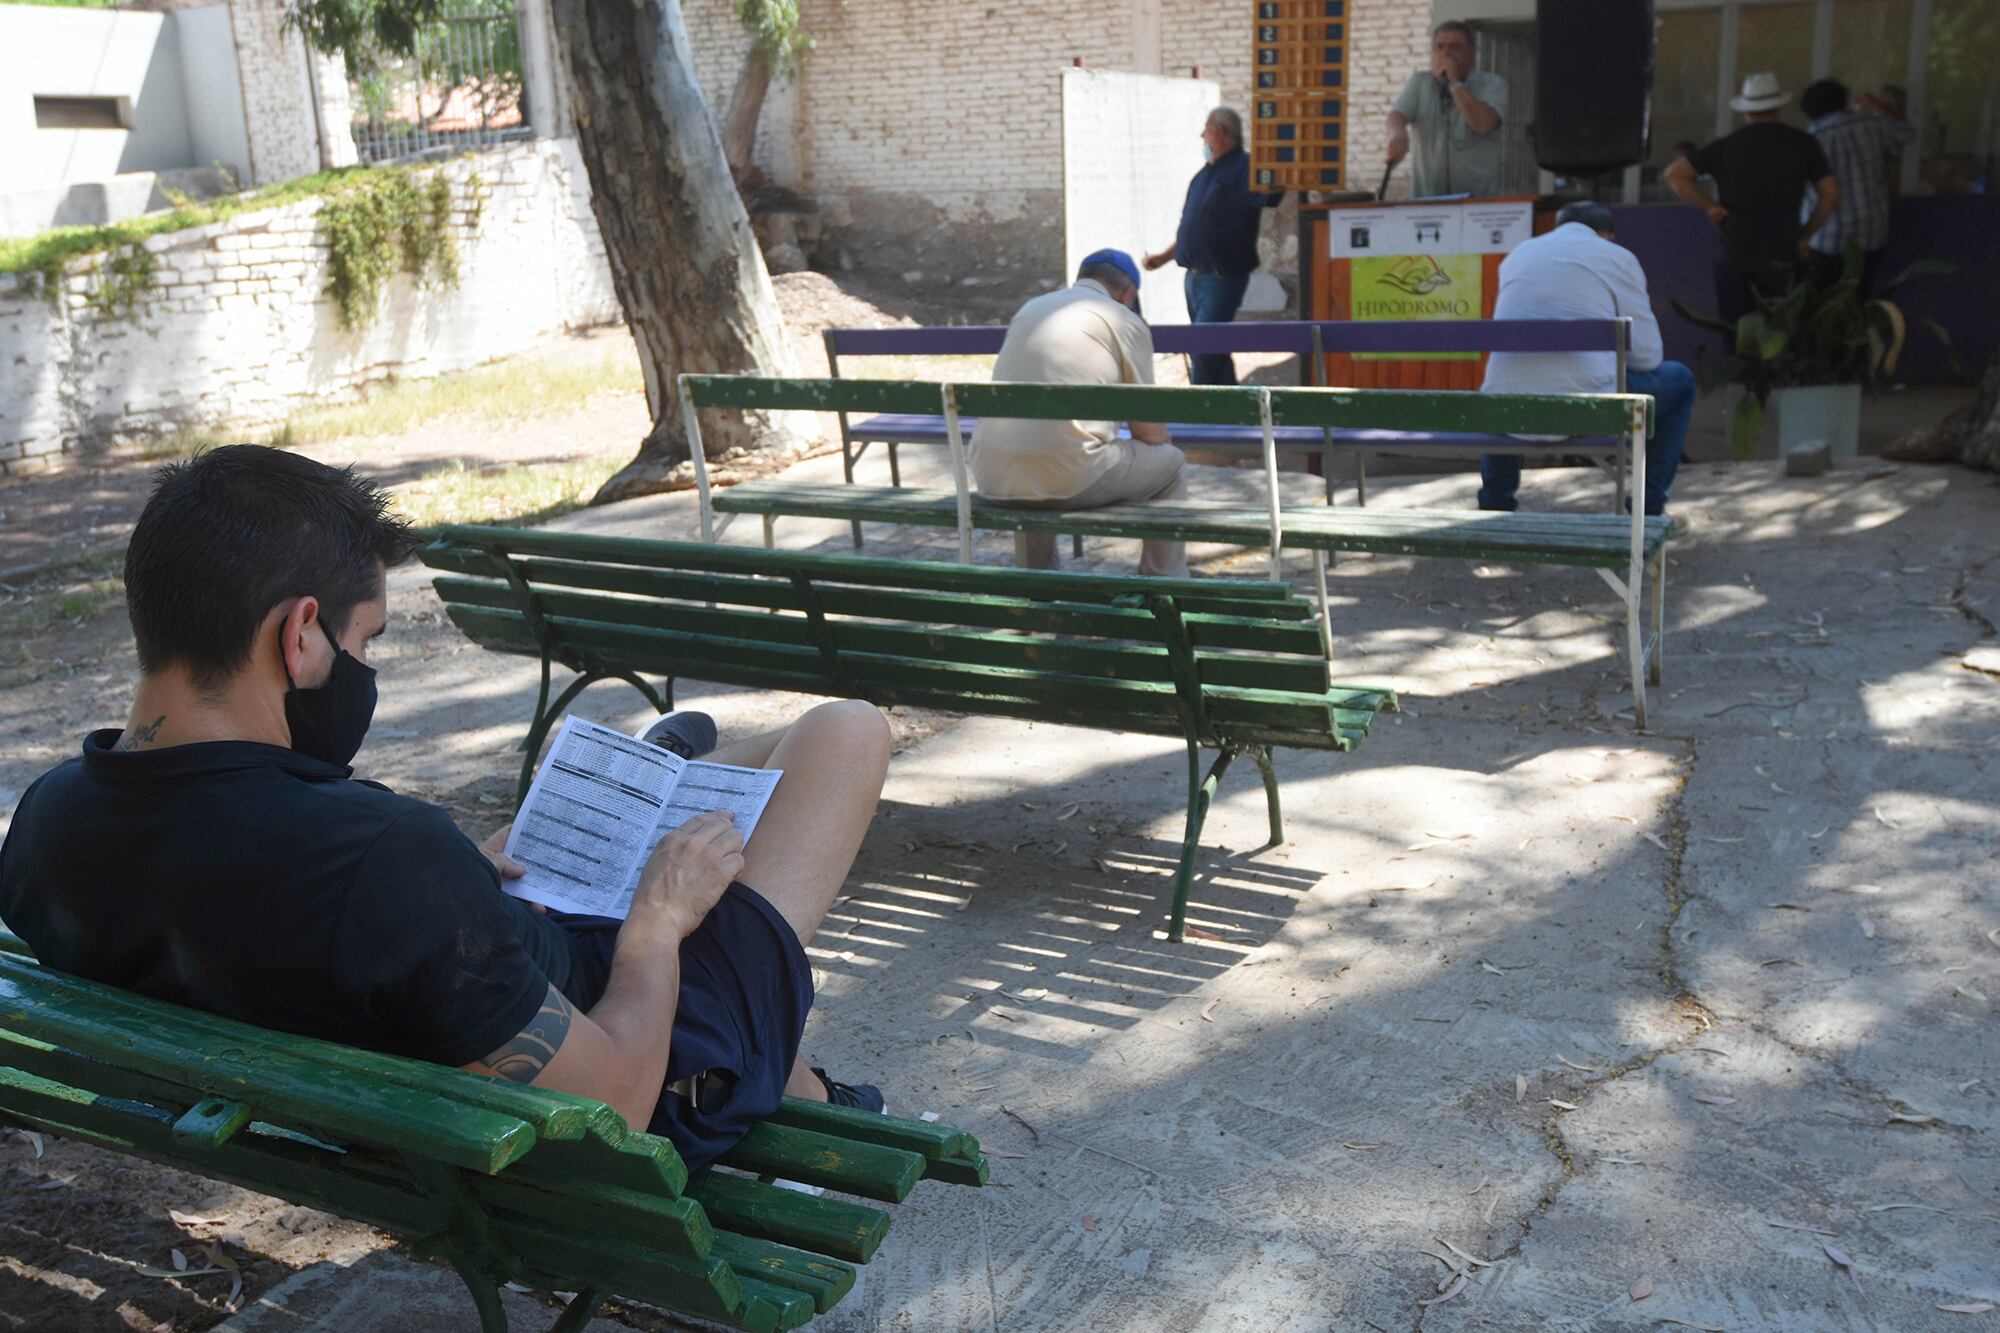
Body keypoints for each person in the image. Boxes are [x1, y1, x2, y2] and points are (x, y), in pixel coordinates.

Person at [0, 446, 893, 1173]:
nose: (365, 669)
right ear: (299, 633)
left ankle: (648, 782)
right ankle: (770, 1045)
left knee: (681, 802)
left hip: (422, 1030)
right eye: (367, 641)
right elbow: (614, 1106)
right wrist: (658, 923)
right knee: (845, 734)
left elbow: (278, 904)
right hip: (646, 1071)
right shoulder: (383, 861)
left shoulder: (46, 823)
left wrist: (459, 883)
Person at [970, 250, 1188, 577]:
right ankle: (1163, 585)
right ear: (1127, 294)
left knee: (1040, 450)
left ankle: (1038, 583)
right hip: (1070, 478)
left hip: (991, 473)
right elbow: (1149, 431)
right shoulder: (1123, 318)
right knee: (1171, 464)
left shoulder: (1030, 309)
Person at [1478, 201, 1692, 519]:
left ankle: (1496, 503)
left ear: (1557, 226)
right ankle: (1648, 510)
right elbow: (1648, 357)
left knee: (1511, 382)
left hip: (1510, 412)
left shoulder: (1517, 256)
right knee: (1680, 380)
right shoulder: (1616, 257)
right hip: (1587, 412)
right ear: (1607, 236)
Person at [1666, 71, 1839, 325]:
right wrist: (1806, 234)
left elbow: (1675, 175)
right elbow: (1830, 193)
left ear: (1745, 111)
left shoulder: (1726, 146)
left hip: (1735, 252)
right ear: (1778, 107)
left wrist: (1711, 206)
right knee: (1781, 335)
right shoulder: (1802, 144)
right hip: (1783, 252)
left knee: (1737, 334)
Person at [1142, 106, 1284, 385]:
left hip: (1221, 279)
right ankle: (1231, 407)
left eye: (1206, 129)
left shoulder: (1245, 167)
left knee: (1203, 348)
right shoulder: (1205, 174)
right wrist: (1163, 257)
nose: (1202, 136)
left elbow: (1272, 193)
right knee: (1212, 350)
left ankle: (1199, 412)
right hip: (1194, 279)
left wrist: (1281, 159)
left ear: (1220, 133)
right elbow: (1193, 228)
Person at [1799, 78, 1917, 293]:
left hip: (1826, 240)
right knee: (1859, 305)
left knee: (1822, 311)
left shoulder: (1810, 140)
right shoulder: (1873, 126)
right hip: (1871, 236)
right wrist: (1876, 105)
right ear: (1844, 101)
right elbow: (1907, 132)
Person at [1385, 21, 1508, 198]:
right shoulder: (1420, 82)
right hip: (1427, 202)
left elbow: (1484, 124)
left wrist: (1455, 84)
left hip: (1476, 204)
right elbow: (1397, 115)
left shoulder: (1491, 84)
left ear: (1471, 54)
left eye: (1455, 47)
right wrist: (1397, 134)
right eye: (1439, 47)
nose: (1446, 53)